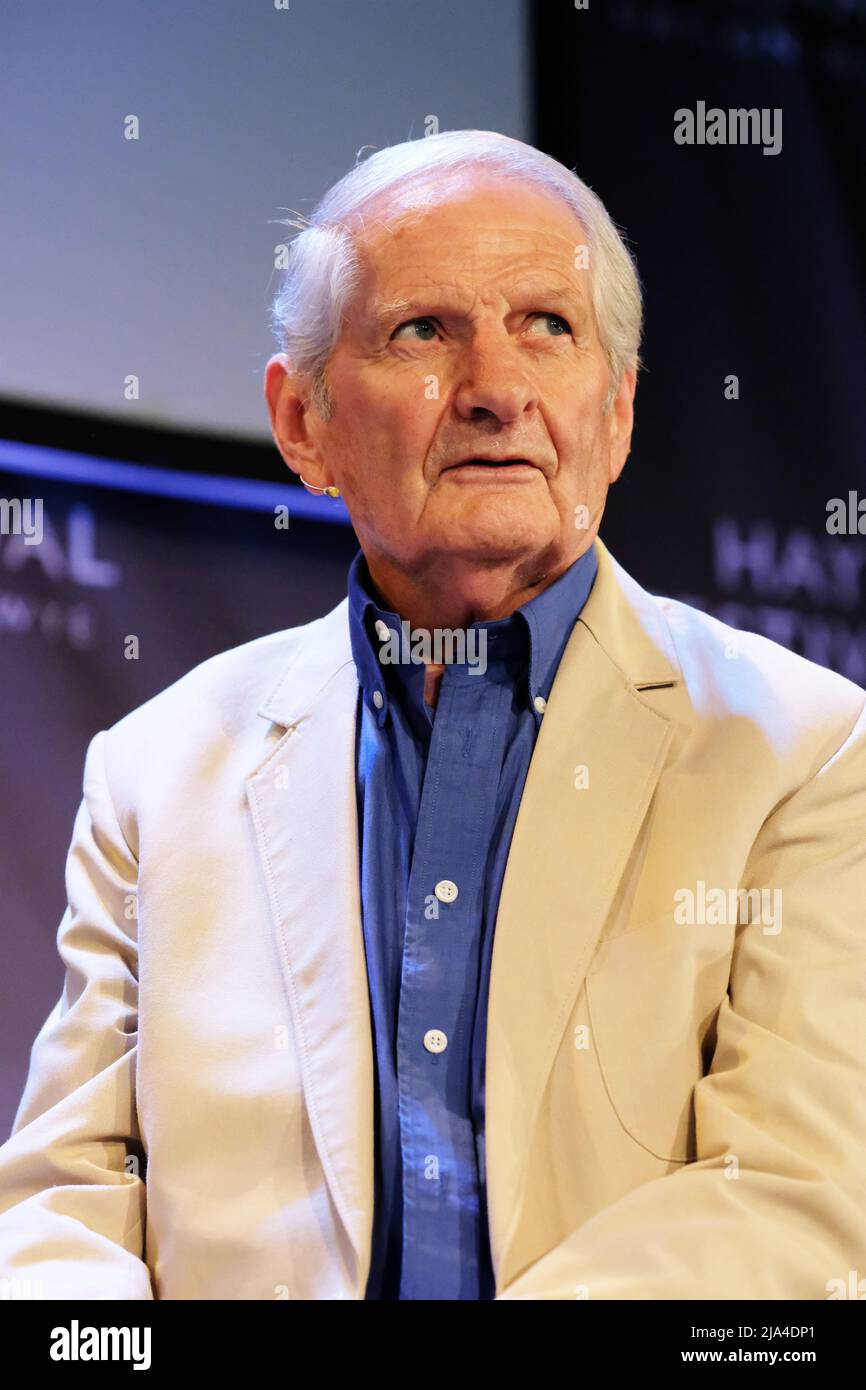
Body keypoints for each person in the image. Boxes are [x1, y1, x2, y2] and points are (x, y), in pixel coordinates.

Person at [1, 130, 864, 1300]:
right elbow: (64, 1201)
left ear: (614, 412)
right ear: (302, 423)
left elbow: (794, 1205)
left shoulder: (806, 752)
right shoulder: (155, 772)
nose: (497, 389)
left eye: (547, 327)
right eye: (423, 330)